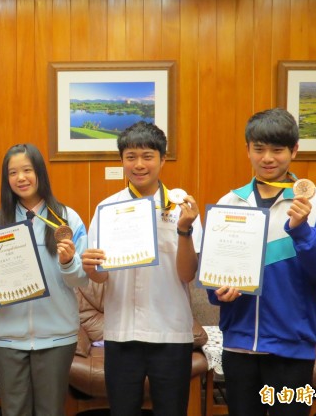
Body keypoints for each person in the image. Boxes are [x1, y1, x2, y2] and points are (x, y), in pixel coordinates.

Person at [208, 108, 316, 416]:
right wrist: (218, 290)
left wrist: (303, 232)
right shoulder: (229, 204)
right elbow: (212, 277)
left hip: (292, 348)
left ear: (294, 150)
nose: (267, 158)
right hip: (239, 346)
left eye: (277, 150)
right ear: (247, 150)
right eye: (259, 149)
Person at [81, 121, 203, 416]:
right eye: (131, 156)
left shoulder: (182, 207)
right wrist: (89, 266)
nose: (139, 164)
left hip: (170, 332)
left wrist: (185, 230)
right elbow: (100, 276)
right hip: (122, 333)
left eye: (147, 156)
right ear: (121, 160)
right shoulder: (107, 209)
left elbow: (188, 275)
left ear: (162, 159)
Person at [0, 143, 88, 416]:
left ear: (39, 172)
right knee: (14, 411)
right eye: (13, 172)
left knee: (51, 410)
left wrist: (68, 262)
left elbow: (82, 280)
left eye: (27, 170)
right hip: (7, 339)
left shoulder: (67, 219)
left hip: (56, 337)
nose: (21, 178)